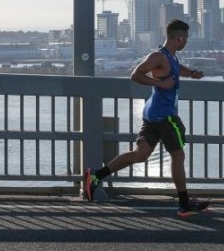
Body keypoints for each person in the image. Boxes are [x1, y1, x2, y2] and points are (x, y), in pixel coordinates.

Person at [83, 19, 210, 217]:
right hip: (165, 116)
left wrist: (191, 73)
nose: (186, 42)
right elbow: (135, 74)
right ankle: (185, 204)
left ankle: (96, 176)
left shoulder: (171, 57)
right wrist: (160, 84)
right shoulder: (158, 56)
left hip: (153, 115)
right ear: (179, 38)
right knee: (178, 156)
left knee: (140, 155)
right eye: (185, 39)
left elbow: (177, 69)